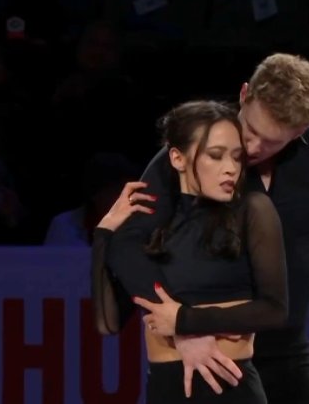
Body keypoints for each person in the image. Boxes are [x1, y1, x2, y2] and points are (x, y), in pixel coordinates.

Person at [95, 53, 309, 404]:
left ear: (301, 130)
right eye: (252, 130)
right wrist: (185, 328)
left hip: (288, 349)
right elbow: (129, 243)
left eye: (273, 141)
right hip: (213, 351)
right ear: (244, 95)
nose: (252, 148)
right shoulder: (195, 153)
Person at [92, 100, 289, 403]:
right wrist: (105, 233)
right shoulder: (158, 230)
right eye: (215, 155)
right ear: (177, 158)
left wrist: (185, 322)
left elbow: (274, 310)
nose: (230, 168)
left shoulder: (251, 211)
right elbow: (108, 322)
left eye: (237, 158)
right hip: (165, 388)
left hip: (230, 388)